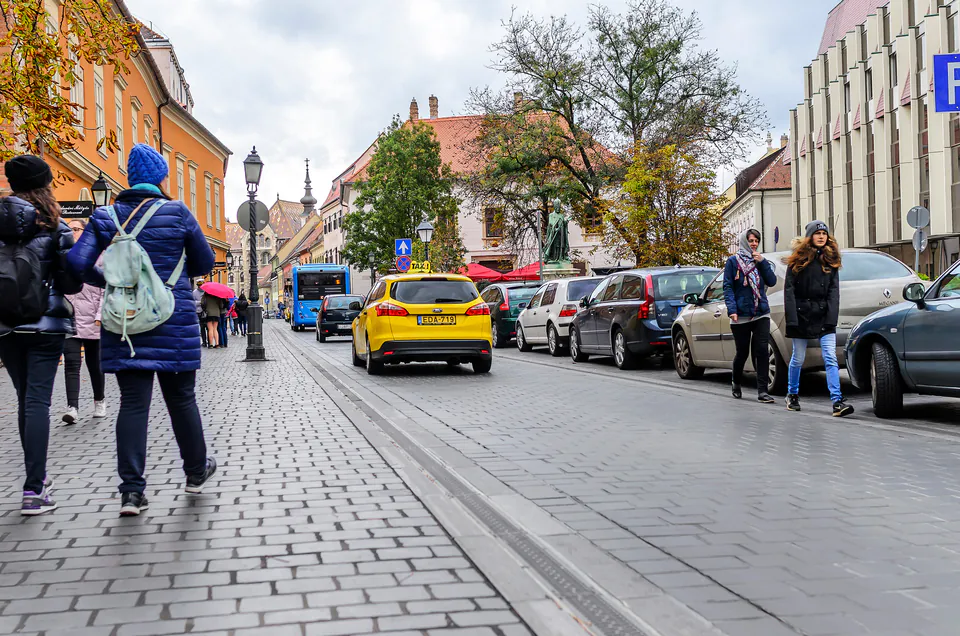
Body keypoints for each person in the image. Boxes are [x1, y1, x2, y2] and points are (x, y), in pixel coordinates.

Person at [67, 143, 218, 516]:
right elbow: (204, 261)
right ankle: (196, 473)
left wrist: (106, 280)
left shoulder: (105, 216)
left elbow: (75, 262)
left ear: (131, 179)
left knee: (133, 404)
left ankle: (132, 493)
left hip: (124, 322)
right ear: (161, 178)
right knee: (181, 399)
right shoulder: (177, 212)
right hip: (173, 318)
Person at [0, 155, 83, 515]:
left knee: (24, 400)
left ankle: (38, 481)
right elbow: (70, 280)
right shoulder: (55, 225)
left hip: (5, 325)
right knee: (38, 401)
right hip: (46, 323)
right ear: (45, 183)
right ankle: (34, 488)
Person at [783, 220, 854, 417]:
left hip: (823, 315)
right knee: (798, 357)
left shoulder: (831, 260)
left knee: (830, 357)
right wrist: (792, 319)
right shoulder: (797, 260)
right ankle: (792, 394)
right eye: (817, 233)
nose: (821, 236)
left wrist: (832, 317)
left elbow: (834, 292)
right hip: (802, 313)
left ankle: (837, 401)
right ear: (810, 236)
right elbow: (789, 291)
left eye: (824, 233)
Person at [723, 228, 778, 403]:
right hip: (741, 314)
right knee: (742, 352)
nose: (754, 244)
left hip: (761, 312)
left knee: (762, 350)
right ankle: (736, 382)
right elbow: (728, 287)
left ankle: (762, 391)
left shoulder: (760, 261)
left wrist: (762, 263)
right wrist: (732, 310)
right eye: (751, 240)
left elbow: (772, 281)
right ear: (744, 241)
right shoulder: (733, 262)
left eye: (756, 241)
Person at [62, 218, 106, 424]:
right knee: (71, 363)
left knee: (94, 364)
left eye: (76, 229)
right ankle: (72, 407)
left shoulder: (98, 257)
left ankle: (99, 400)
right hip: (70, 318)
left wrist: (100, 316)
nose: (72, 233)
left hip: (93, 319)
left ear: (84, 232)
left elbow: (106, 288)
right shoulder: (63, 257)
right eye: (69, 230)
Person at [192, 279, 207, 347]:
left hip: (206, 311)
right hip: (199, 311)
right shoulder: (194, 292)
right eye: (199, 285)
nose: (200, 286)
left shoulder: (206, 292)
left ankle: (209, 341)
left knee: (208, 328)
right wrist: (199, 302)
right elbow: (192, 302)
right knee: (202, 328)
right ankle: (204, 342)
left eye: (201, 285)